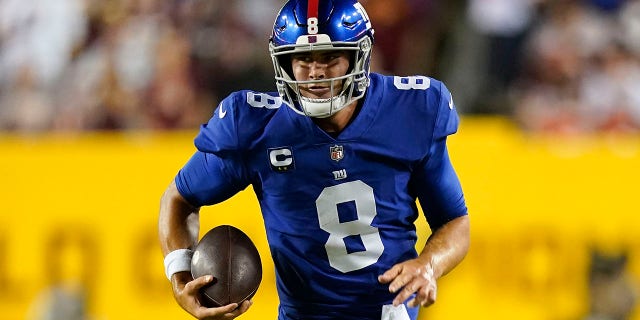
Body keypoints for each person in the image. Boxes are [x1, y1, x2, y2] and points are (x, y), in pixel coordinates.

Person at [158, 0, 470, 319]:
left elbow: (454, 220)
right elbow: (179, 199)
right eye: (302, 59)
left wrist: (429, 264)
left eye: (330, 57)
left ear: (357, 57)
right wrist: (180, 274)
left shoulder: (409, 111)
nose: (315, 72)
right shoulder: (256, 127)